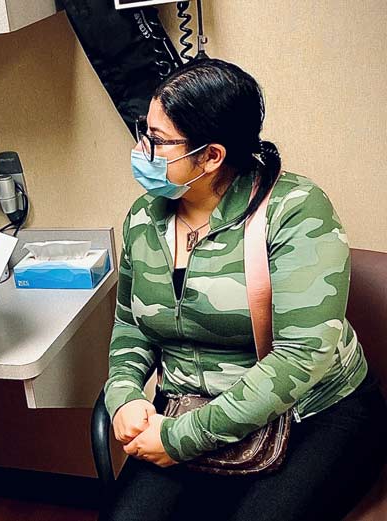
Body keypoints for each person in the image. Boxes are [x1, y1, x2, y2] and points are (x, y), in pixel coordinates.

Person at [103, 59, 387, 520]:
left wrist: (184, 438)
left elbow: (301, 356)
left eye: (157, 141)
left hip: (314, 414)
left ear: (211, 156)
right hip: (189, 407)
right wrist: (125, 394)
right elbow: (130, 326)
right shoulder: (143, 217)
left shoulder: (295, 211)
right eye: (143, 132)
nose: (141, 150)